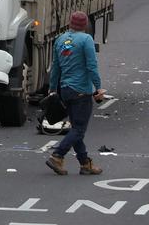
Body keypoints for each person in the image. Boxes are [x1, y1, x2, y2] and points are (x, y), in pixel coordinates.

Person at [45, 11, 106, 176]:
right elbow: (91, 66)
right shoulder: (86, 40)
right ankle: (57, 155)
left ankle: (85, 163)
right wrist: (98, 87)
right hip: (81, 91)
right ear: (85, 25)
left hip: (65, 90)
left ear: (70, 23)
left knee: (75, 129)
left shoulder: (60, 40)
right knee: (79, 129)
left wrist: (52, 89)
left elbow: (55, 68)